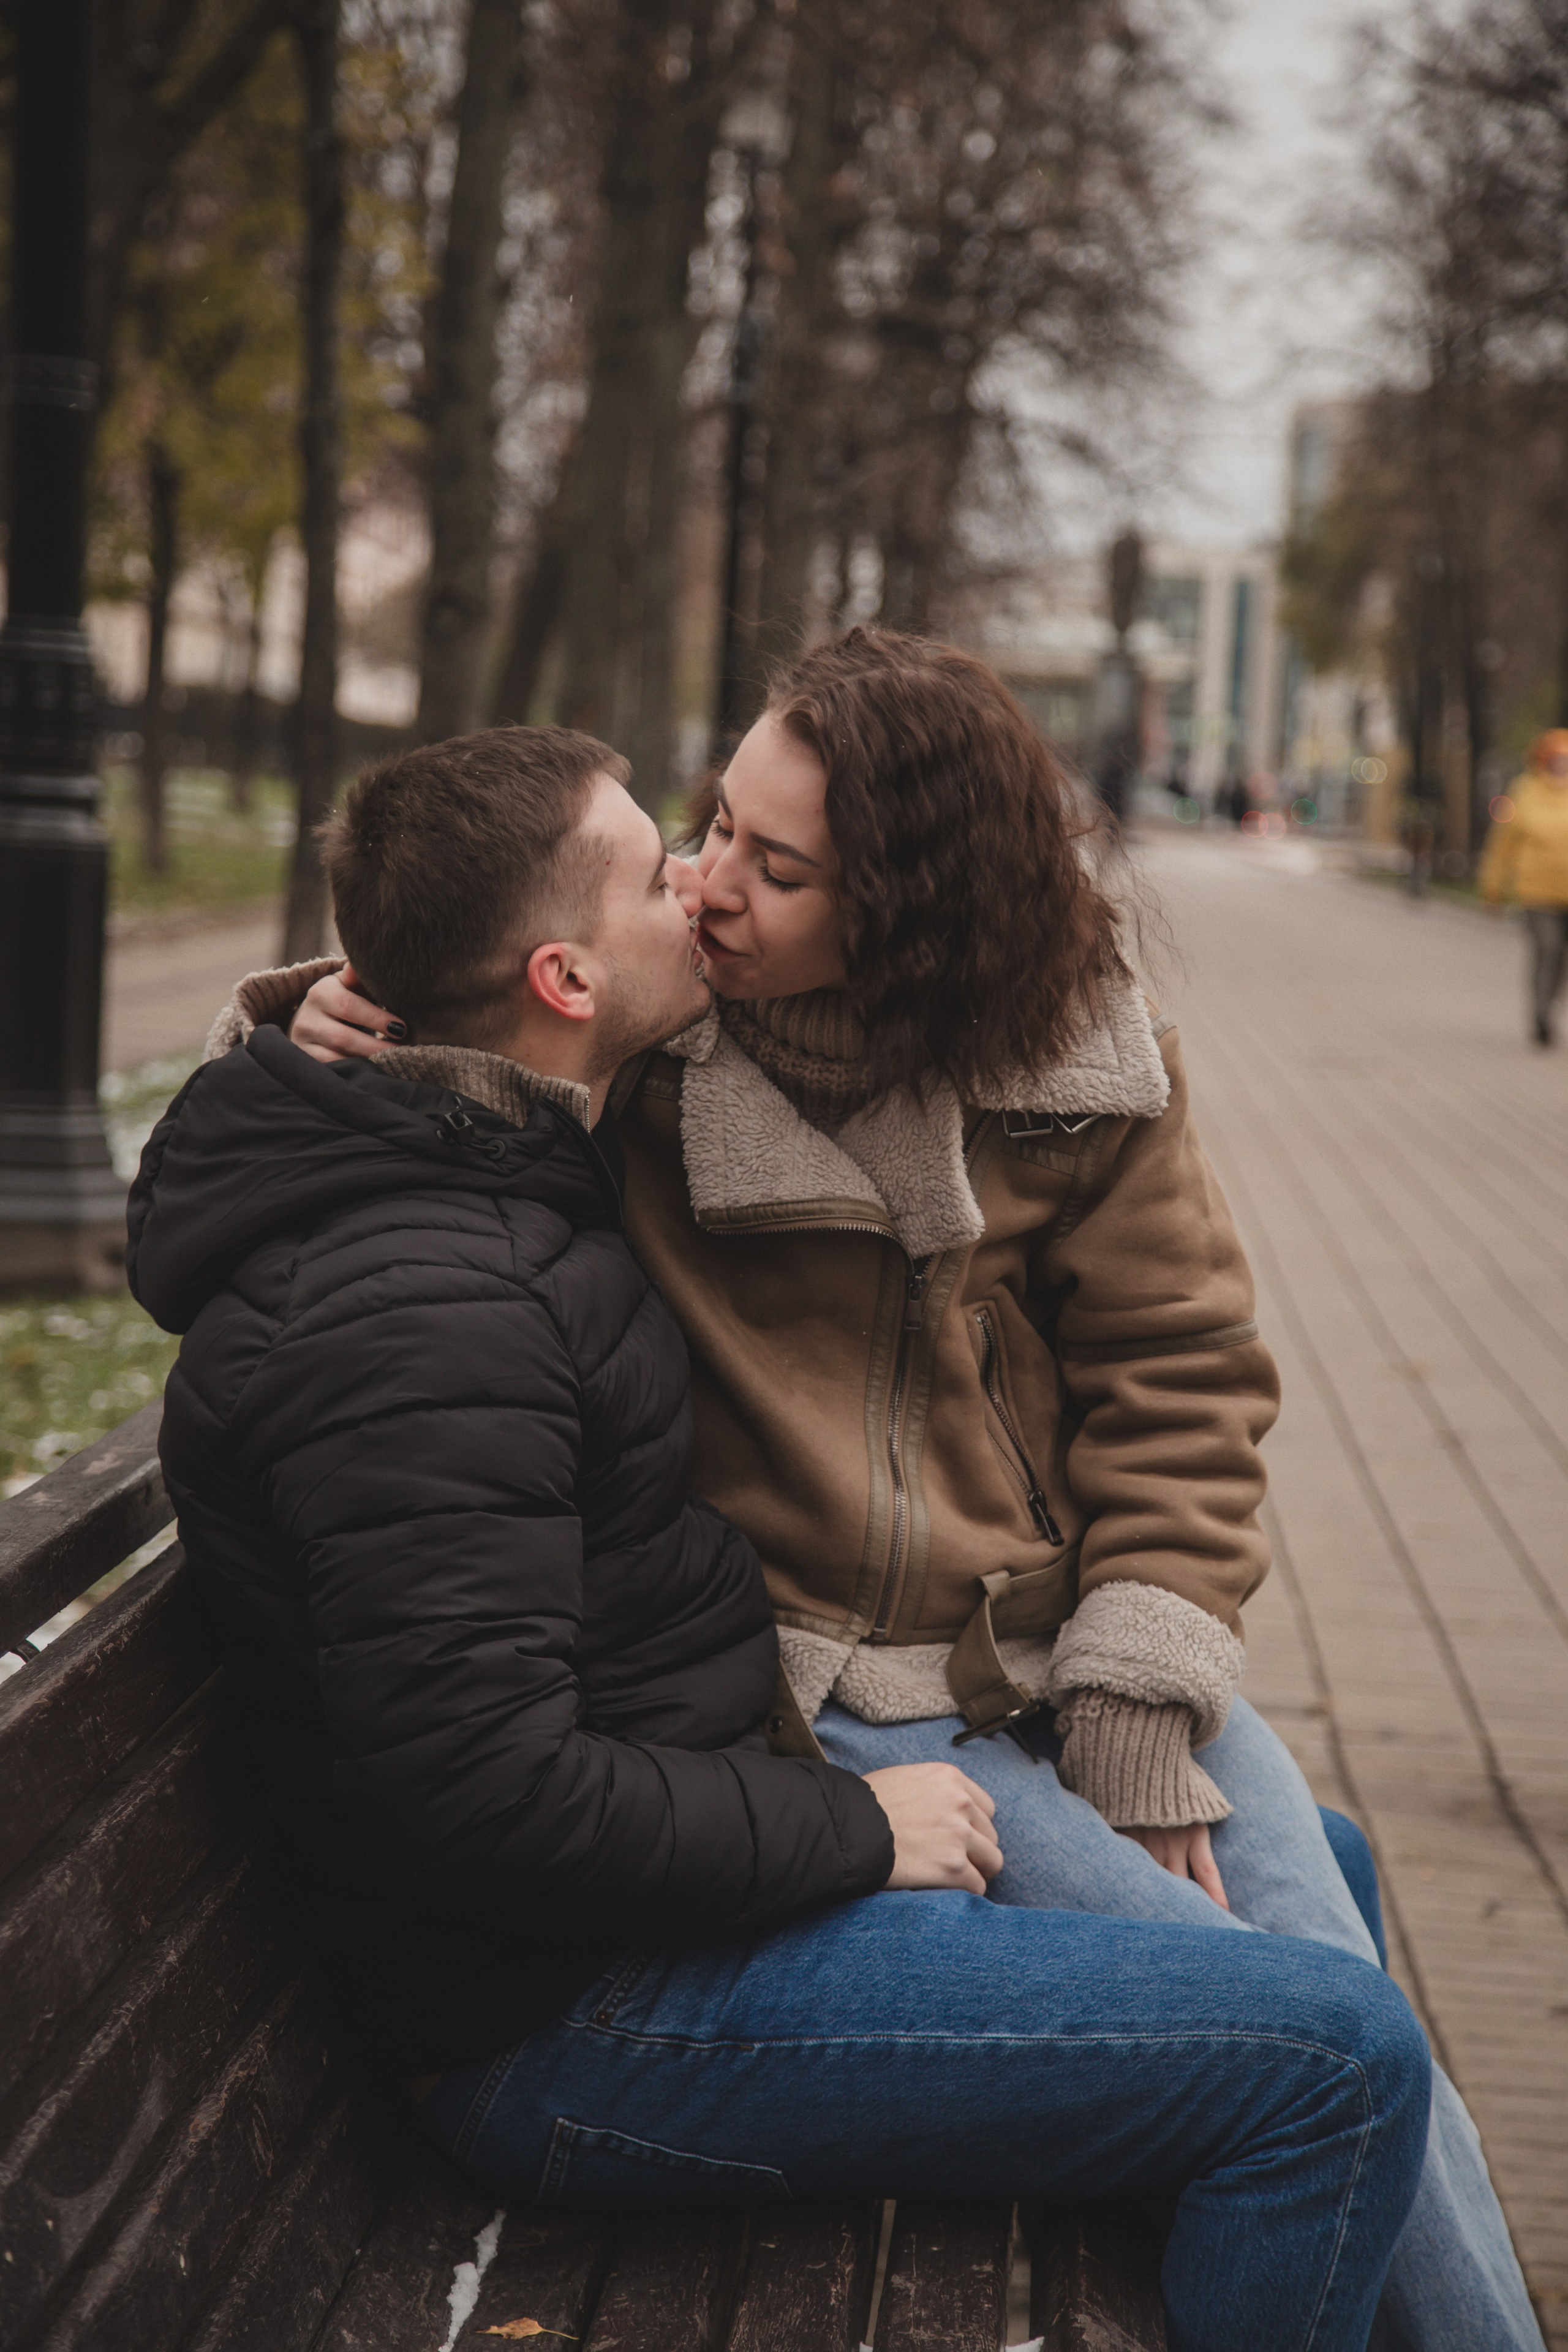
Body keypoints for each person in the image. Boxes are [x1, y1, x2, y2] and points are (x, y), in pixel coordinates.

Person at [222, 638, 1542, 2350]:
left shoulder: (1078, 1064)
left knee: (1337, 1964)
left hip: (1071, 1655)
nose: (709, 892)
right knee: (1321, 2039)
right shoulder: (662, 1050)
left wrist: (1140, 1703)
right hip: (832, 1704)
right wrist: (314, 1010)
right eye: (711, 833)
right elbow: (494, 1001)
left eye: (777, 868)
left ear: (915, 908)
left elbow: (1186, 1377)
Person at [1480, 728, 1568, 1046]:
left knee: (1560, 959)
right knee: (1548, 949)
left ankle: (1551, 1007)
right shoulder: (1525, 792)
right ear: (1543, 760)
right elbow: (1502, 844)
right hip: (1537, 892)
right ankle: (1541, 1014)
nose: (1563, 765)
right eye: (1557, 759)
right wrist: (1494, 888)